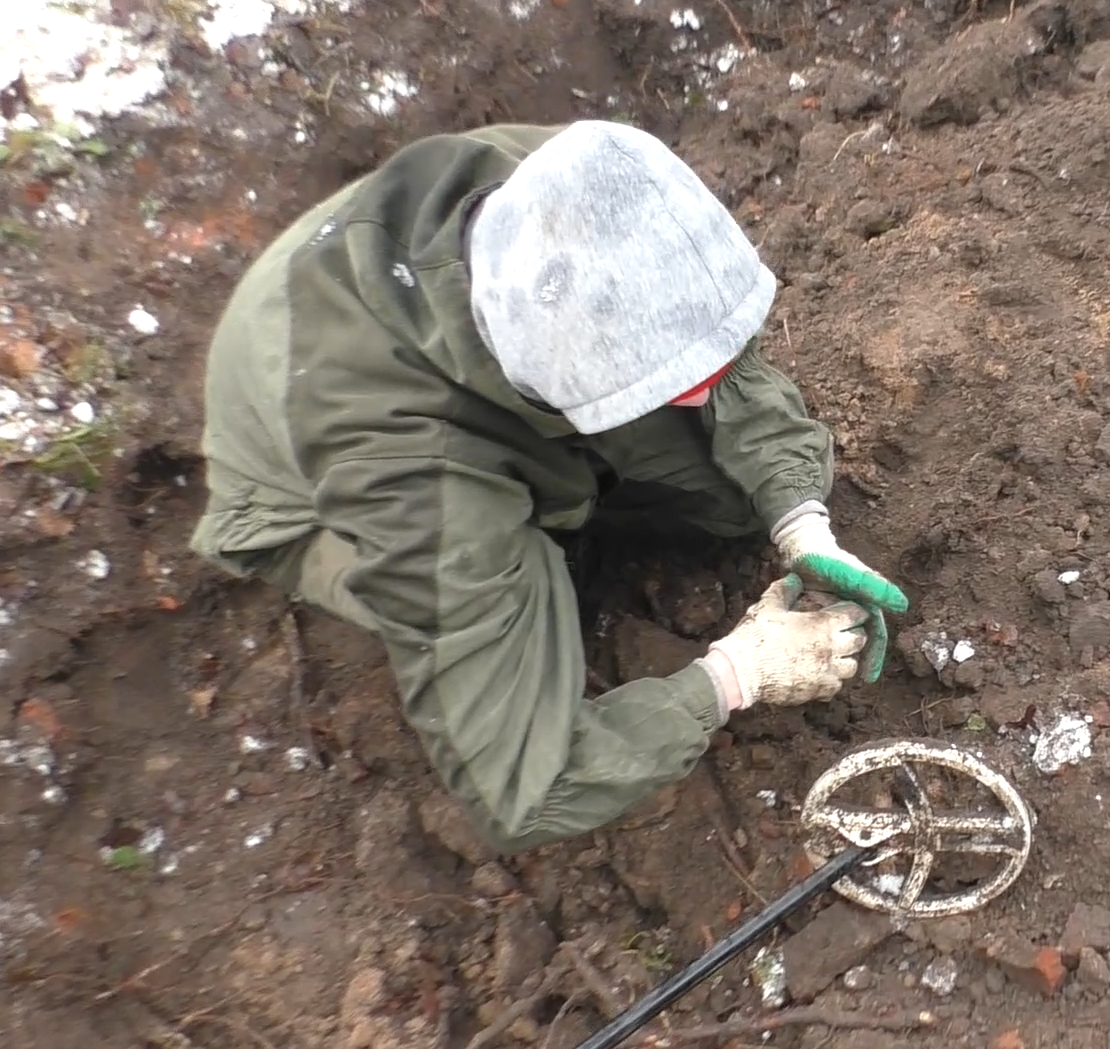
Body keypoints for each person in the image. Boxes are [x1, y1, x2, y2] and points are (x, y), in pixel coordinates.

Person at [189, 120, 909, 853]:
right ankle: (546, 535)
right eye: (678, 377)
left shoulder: (584, 179)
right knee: (538, 579)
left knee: (728, 492)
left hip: (431, 326)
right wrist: (737, 672)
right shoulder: (413, 480)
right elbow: (528, 791)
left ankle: (578, 490)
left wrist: (800, 520)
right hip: (293, 488)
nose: (704, 386)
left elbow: (722, 358)